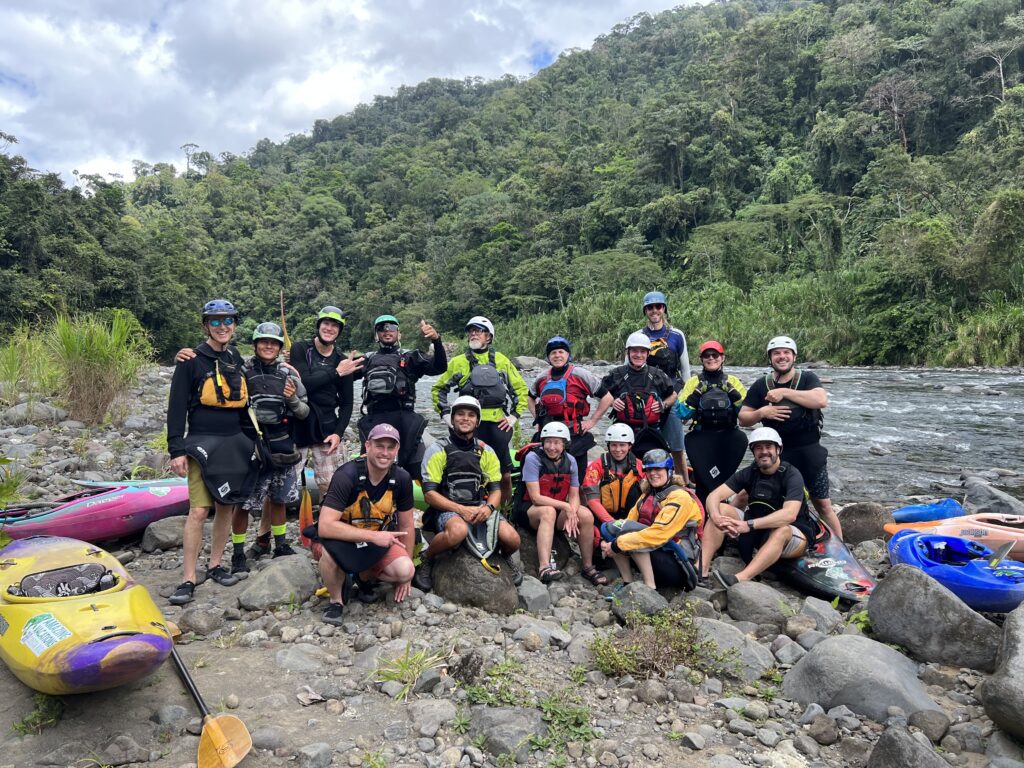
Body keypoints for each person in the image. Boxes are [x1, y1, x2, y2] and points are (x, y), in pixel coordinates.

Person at [166, 299, 254, 605]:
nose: (222, 326)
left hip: (233, 442)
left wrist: (251, 441)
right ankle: (188, 577)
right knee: (199, 510)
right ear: (206, 325)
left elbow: (242, 405)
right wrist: (176, 449)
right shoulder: (190, 360)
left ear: (234, 324)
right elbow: (176, 408)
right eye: (215, 321)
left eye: (228, 321)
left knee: (226, 505)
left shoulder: (235, 357)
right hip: (202, 442)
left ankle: (215, 564)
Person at [739, 335, 843, 538]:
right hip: (775, 454)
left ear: (794, 356)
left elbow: (820, 400)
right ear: (770, 358)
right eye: (776, 353)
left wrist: (784, 393)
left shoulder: (807, 378)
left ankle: (843, 547)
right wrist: (762, 413)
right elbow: (743, 418)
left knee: (823, 504)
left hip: (809, 451)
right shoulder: (762, 385)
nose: (782, 357)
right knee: (744, 494)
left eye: (786, 353)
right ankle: (735, 531)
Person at [415, 395, 522, 591]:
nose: (465, 419)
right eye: (460, 414)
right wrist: (460, 510)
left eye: (471, 415)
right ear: (453, 419)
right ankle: (427, 557)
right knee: (458, 532)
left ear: (477, 421)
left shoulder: (486, 451)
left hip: (480, 506)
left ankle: (503, 557)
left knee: (513, 539)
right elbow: (430, 494)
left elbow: (495, 490)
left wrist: (489, 508)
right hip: (449, 509)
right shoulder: (438, 449)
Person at [313, 423, 416, 625]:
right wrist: (373, 536)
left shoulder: (402, 479)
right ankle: (336, 600)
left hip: (377, 541)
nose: (385, 453)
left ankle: (364, 576)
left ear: (397, 450)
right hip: (340, 539)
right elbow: (325, 526)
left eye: (390, 447)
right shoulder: (346, 476)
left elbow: (407, 526)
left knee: (405, 570)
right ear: (367, 446)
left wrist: (408, 573)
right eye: (379, 446)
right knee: (327, 554)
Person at [228, 322, 309, 573]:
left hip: (281, 443)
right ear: (255, 344)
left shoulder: (289, 375)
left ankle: (281, 544)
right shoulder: (242, 372)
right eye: (263, 342)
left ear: (279, 347)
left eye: (273, 343)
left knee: (279, 499)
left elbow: (304, 412)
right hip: (252, 446)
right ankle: (238, 553)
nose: (268, 346)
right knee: (242, 504)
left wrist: (292, 399)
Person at [701, 427, 817, 588]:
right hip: (757, 530)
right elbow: (714, 496)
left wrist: (748, 525)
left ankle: (741, 578)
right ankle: (701, 570)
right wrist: (715, 516)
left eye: (768, 447)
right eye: (758, 448)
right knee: (720, 508)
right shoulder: (749, 472)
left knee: (781, 530)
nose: (764, 452)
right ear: (753, 451)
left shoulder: (792, 475)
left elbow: (789, 515)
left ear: (778, 449)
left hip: (794, 534)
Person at [431, 316, 529, 505]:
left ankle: (504, 512)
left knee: (505, 476)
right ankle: (464, 504)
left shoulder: (501, 361)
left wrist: (514, 417)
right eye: (471, 331)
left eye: (479, 330)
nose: (474, 333)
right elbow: (438, 390)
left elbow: (521, 390)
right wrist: (445, 415)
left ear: (489, 337)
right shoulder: (458, 362)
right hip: (468, 424)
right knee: (468, 470)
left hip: (497, 424)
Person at [599, 449, 704, 593]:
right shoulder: (647, 496)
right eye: (649, 470)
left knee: (632, 536)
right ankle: (627, 583)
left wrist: (617, 545)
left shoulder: (680, 497)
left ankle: (650, 588)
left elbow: (658, 534)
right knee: (612, 528)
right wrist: (605, 541)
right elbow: (628, 522)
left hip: (679, 564)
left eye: (658, 469)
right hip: (658, 554)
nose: (652, 473)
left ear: (669, 471)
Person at [514, 421, 606, 585]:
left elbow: (574, 494)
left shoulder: (570, 461)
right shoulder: (533, 458)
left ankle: (587, 566)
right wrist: (566, 507)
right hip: (529, 511)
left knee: (585, 514)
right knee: (548, 511)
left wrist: (572, 511)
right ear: (543, 442)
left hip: (555, 509)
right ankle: (544, 567)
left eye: (557, 442)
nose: (552, 447)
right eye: (548, 442)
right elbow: (535, 498)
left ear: (564, 444)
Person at [355, 315, 446, 478]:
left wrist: (436, 340)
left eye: (392, 327)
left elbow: (440, 367)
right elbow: (342, 376)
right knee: (370, 469)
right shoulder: (366, 360)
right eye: (382, 328)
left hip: (405, 418)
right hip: (375, 418)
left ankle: (418, 495)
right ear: (376, 335)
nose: (387, 331)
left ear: (399, 334)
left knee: (415, 465)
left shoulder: (410, 357)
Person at [290, 306, 364, 501]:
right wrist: (336, 372)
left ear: (339, 331)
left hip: (326, 429)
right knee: (284, 485)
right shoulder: (300, 349)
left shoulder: (342, 360)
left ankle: (326, 526)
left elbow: (347, 403)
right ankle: (266, 531)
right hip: (297, 426)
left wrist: (338, 433)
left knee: (330, 485)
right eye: (326, 323)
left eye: (334, 326)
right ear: (319, 325)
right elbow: (304, 384)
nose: (329, 328)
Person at [598, 332, 688, 483]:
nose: (638, 355)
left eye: (642, 351)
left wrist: (662, 405)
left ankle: (679, 481)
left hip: (651, 431)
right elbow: (599, 392)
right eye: (634, 351)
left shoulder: (657, 374)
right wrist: (612, 401)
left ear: (647, 354)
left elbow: (672, 395)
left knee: (662, 458)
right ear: (628, 352)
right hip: (624, 431)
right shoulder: (617, 374)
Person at [675, 340, 748, 507]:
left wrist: (734, 396)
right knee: (704, 483)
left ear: (722, 358)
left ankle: (722, 514)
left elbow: (746, 414)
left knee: (721, 481)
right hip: (701, 438)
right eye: (707, 355)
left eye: (715, 355)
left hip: (729, 437)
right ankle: (703, 520)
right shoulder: (693, 382)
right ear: (701, 359)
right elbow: (681, 413)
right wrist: (696, 395)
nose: (711, 358)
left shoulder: (733, 381)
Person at [527, 336, 609, 483]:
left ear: (568, 355)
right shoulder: (542, 377)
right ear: (548, 357)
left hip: (574, 434)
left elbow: (607, 398)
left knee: (578, 480)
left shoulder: (580, 375)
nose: (557, 356)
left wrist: (592, 421)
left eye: (561, 352)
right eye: (553, 353)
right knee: (547, 479)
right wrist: (537, 418)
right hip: (549, 436)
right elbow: (530, 397)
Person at [636, 291, 690, 471]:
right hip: (646, 397)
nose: (654, 311)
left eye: (658, 307)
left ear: (664, 309)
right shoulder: (638, 336)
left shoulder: (676, 335)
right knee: (646, 443)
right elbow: (628, 368)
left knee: (676, 446)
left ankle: (684, 482)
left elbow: (685, 372)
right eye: (650, 308)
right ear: (645, 311)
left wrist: (684, 402)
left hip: (671, 395)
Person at [582, 423, 645, 557]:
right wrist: (612, 523)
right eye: (614, 445)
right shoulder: (596, 466)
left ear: (630, 446)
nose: (618, 449)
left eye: (622, 445)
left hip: (630, 516)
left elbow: (648, 497)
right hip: (604, 516)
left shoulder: (639, 466)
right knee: (598, 542)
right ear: (608, 446)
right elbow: (592, 500)